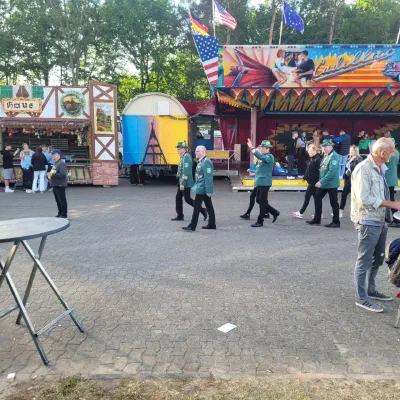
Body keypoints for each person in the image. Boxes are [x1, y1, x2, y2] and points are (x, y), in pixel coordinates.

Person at [351, 138, 400, 312]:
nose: (392, 155)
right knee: (364, 260)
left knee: (378, 259)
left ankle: (371, 290)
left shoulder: (380, 168)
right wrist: (392, 204)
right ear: (382, 152)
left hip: (380, 220)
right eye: (391, 152)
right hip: (367, 220)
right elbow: (364, 199)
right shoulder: (363, 169)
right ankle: (361, 297)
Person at [306, 139, 340, 227]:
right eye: (323, 146)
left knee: (334, 203)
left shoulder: (334, 156)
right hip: (324, 183)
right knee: (317, 198)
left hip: (331, 184)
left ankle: (336, 222)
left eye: (325, 146)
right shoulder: (326, 155)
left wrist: (321, 181)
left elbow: (332, 172)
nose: (324, 148)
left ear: (331, 146)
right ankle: (317, 219)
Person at [246, 139, 280, 227]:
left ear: (267, 149)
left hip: (265, 182)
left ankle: (260, 221)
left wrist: (252, 148)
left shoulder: (269, 157)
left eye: (262, 148)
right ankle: (274, 212)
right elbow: (260, 169)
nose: (261, 149)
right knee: (259, 200)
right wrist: (253, 171)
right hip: (260, 182)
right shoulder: (263, 156)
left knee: (262, 201)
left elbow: (262, 158)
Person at [182, 146, 216, 232]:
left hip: (203, 188)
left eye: (197, 151)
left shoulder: (206, 162)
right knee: (209, 206)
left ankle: (192, 226)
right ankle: (212, 224)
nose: (195, 153)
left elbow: (208, 177)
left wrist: (209, 190)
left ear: (202, 152)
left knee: (197, 207)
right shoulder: (201, 161)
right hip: (201, 187)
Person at [171, 141, 206, 222]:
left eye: (179, 149)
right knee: (178, 197)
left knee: (188, 199)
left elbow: (186, 172)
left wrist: (182, 183)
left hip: (185, 182)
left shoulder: (186, 157)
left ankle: (202, 210)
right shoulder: (183, 156)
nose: (178, 150)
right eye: (177, 149)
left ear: (184, 149)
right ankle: (180, 215)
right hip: (181, 181)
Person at [292, 144, 322, 219]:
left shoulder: (318, 160)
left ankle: (301, 212)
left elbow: (320, 171)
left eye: (310, 151)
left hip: (314, 182)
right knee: (316, 198)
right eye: (308, 151)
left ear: (315, 151)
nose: (309, 153)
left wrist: (319, 181)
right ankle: (318, 213)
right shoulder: (313, 158)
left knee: (308, 196)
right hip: (312, 181)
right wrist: (305, 177)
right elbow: (309, 169)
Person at [240, 148, 270, 220]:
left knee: (260, 199)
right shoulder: (259, 161)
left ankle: (271, 212)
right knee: (259, 198)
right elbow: (258, 171)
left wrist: (253, 172)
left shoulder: (264, 159)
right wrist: (252, 171)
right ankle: (265, 212)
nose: (253, 157)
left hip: (262, 182)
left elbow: (262, 172)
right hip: (259, 182)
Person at [338, 145, 363, 218]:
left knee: (356, 197)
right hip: (347, 179)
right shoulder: (349, 158)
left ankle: (357, 212)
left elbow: (359, 170)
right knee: (344, 195)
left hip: (354, 180)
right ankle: (340, 211)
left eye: (352, 150)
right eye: (350, 150)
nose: (351, 152)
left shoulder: (359, 159)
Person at [48, 149, 68, 218]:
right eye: (52, 154)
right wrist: (49, 175)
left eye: (53, 154)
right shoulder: (56, 163)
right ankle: (60, 213)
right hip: (55, 184)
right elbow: (54, 173)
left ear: (58, 155)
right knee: (58, 201)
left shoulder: (61, 163)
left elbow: (62, 174)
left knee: (62, 200)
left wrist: (53, 174)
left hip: (60, 184)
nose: (52, 155)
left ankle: (64, 214)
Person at [385, 146, 400, 228]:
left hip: (387, 178)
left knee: (389, 200)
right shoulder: (396, 152)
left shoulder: (388, 153)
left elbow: (385, 162)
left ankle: (396, 220)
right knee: (390, 198)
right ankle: (393, 219)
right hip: (393, 178)